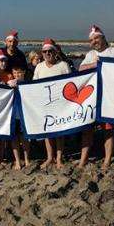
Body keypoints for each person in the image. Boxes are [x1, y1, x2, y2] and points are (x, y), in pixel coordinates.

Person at [79, 25, 114, 170]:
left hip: (109, 95)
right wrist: (96, 64)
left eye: (96, 38)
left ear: (103, 37)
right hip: (92, 96)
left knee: (108, 129)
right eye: (92, 39)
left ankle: (107, 159)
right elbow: (81, 69)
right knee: (87, 129)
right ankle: (83, 159)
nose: (94, 41)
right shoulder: (90, 54)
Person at [33, 38, 72, 169]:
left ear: (55, 52)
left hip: (60, 104)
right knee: (47, 132)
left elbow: (71, 84)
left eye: (50, 51)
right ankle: (50, 157)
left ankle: (59, 158)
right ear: (42, 53)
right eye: (45, 51)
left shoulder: (63, 66)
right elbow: (34, 85)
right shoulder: (39, 67)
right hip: (45, 104)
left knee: (59, 132)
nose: (47, 53)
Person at [5, 65, 31, 170]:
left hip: (24, 115)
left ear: (24, 72)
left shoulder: (29, 84)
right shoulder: (10, 84)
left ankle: (27, 159)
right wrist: (8, 86)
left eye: (19, 72)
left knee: (25, 138)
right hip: (13, 115)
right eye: (15, 73)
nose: (17, 75)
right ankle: (17, 160)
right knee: (14, 138)